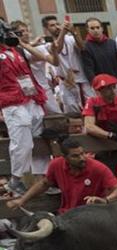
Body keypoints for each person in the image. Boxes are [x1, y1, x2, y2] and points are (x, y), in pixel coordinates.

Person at [7, 138, 117, 250]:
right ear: (65, 157)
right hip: (67, 217)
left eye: (82, 153)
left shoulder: (97, 168)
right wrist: (22, 200)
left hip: (93, 220)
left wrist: (105, 200)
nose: (82, 158)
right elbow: (44, 184)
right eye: (76, 156)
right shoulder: (56, 165)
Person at [0, 29, 50, 198]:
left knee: (38, 137)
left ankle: (42, 179)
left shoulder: (15, 50)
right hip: (11, 102)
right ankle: (15, 180)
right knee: (23, 143)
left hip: (29, 96)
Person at [44, 15, 90, 114]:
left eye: (57, 24)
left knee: (88, 110)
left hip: (80, 80)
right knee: (72, 112)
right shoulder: (47, 45)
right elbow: (57, 49)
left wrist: (74, 32)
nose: (56, 27)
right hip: (65, 83)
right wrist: (63, 32)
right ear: (46, 30)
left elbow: (82, 47)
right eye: (52, 25)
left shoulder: (70, 38)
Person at [80, 17, 117, 96]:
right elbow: (88, 69)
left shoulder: (112, 43)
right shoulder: (85, 47)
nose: (96, 30)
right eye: (92, 28)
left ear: (102, 28)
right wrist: (95, 85)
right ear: (87, 30)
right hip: (100, 86)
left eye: (98, 27)